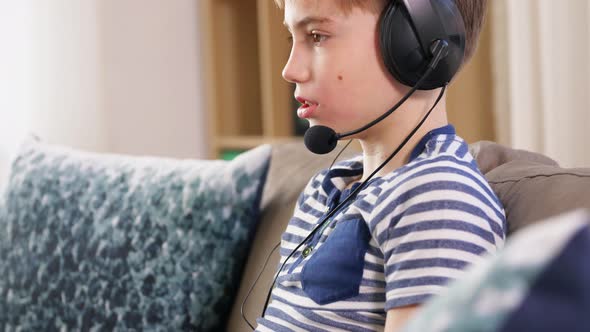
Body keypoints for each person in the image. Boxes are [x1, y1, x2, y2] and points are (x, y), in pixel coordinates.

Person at [255, 0, 505, 331]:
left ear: (418, 40)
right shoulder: (324, 189)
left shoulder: (439, 200)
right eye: (293, 38)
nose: (290, 70)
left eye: (317, 36)